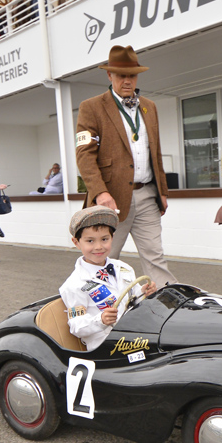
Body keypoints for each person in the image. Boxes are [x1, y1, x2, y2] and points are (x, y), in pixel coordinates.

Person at [75, 45, 177, 288]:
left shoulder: (149, 107)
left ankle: (168, 304)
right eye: (121, 75)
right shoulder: (91, 107)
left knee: (155, 256)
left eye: (132, 75)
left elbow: (156, 153)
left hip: (147, 195)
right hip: (110, 199)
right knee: (103, 258)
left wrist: (162, 191)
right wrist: (100, 193)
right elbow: (84, 155)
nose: (127, 80)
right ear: (109, 76)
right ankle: (98, 308)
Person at [59, 206, 157, 351]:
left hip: (135, 332)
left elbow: (133, 299)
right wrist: (101, 320)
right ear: (76, 242)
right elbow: (76, 326)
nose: (98, 247)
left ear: (112, 237)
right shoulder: (74, 285)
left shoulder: (123, 268)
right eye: (90, 241)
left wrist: (144, 293)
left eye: (104, 239)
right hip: (106, 346)